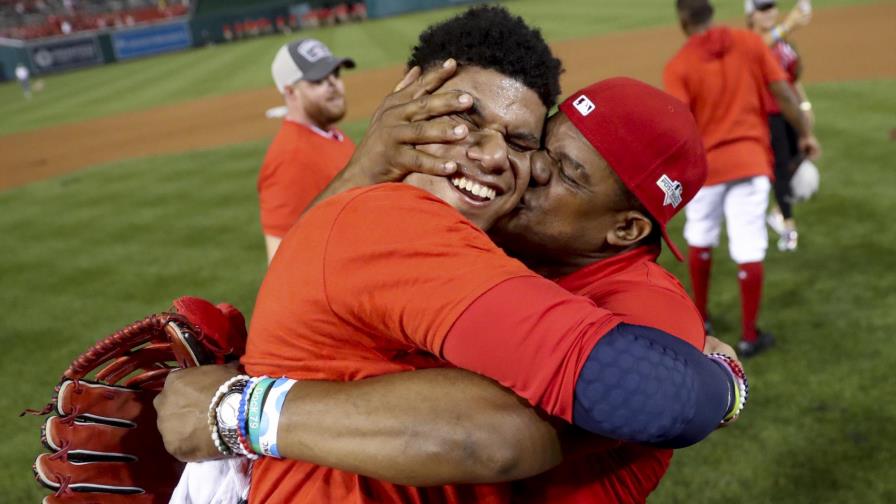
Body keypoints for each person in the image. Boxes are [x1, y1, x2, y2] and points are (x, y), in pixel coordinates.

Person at [158, 7, 745, 503]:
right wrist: (366, 170)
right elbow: (338, 239)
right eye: (465, 117)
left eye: (530, 147)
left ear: (623, 229)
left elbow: (500, 435)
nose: (520, 164)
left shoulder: (643, 311)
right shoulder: (405, 225)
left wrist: (240, 413)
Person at [663, 0, 820, 357]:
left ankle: (700, 321)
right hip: (750, 162)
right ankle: (750, 335)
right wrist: (805, 133)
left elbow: (679, 127)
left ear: (683, 23)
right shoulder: (749, 44)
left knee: (700, 238)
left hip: (706, 169)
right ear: (711, 13)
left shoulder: (679, 65)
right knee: (749, 244)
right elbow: (783, 93)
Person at [257, 38, 356, 263]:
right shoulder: (290, 157)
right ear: (290, 92)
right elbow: (281, 263)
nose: (333, 84)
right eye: (318, 80)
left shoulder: (332, 135)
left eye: (336, 74)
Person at [746, 0, 814, 251]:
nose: (768, 13)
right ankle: (788, 225)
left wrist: (804, 107)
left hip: (790, 112)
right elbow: (757, 50)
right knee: (782, 166)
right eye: (762, 9)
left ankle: (777, 211)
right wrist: (788, 24)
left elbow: (792, 79)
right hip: (768, 114)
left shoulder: (784, 43)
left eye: (771, 7)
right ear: (751, 15)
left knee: (799, 157)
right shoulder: (750, 40)